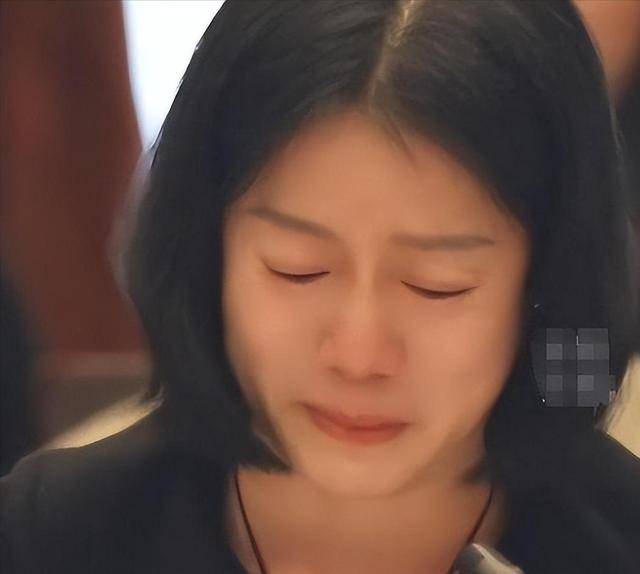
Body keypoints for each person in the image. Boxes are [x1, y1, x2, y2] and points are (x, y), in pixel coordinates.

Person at [1, 1, 639, 573]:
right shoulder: (50, 536)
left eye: (436, 286)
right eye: (297, 268)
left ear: (546, 282)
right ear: (207, 256)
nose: (358, 356)